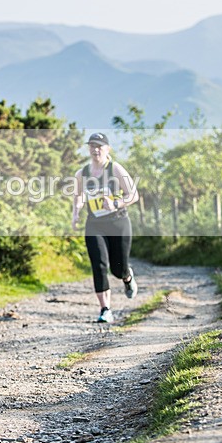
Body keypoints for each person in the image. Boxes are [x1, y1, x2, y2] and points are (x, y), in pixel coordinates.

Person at [71, 132, 139, 323]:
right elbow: (78, 195)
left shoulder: (115, 169)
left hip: (118, 222)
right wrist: (76, 213)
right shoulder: (82, 173)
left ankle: (127, 277)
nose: (96, 149)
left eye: (99, 146)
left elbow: (133, 195)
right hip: (95, 224)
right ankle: (105, 309)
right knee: (99, 264)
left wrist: (116, 204)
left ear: (107, 149)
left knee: (118, 269)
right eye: (92, 146)